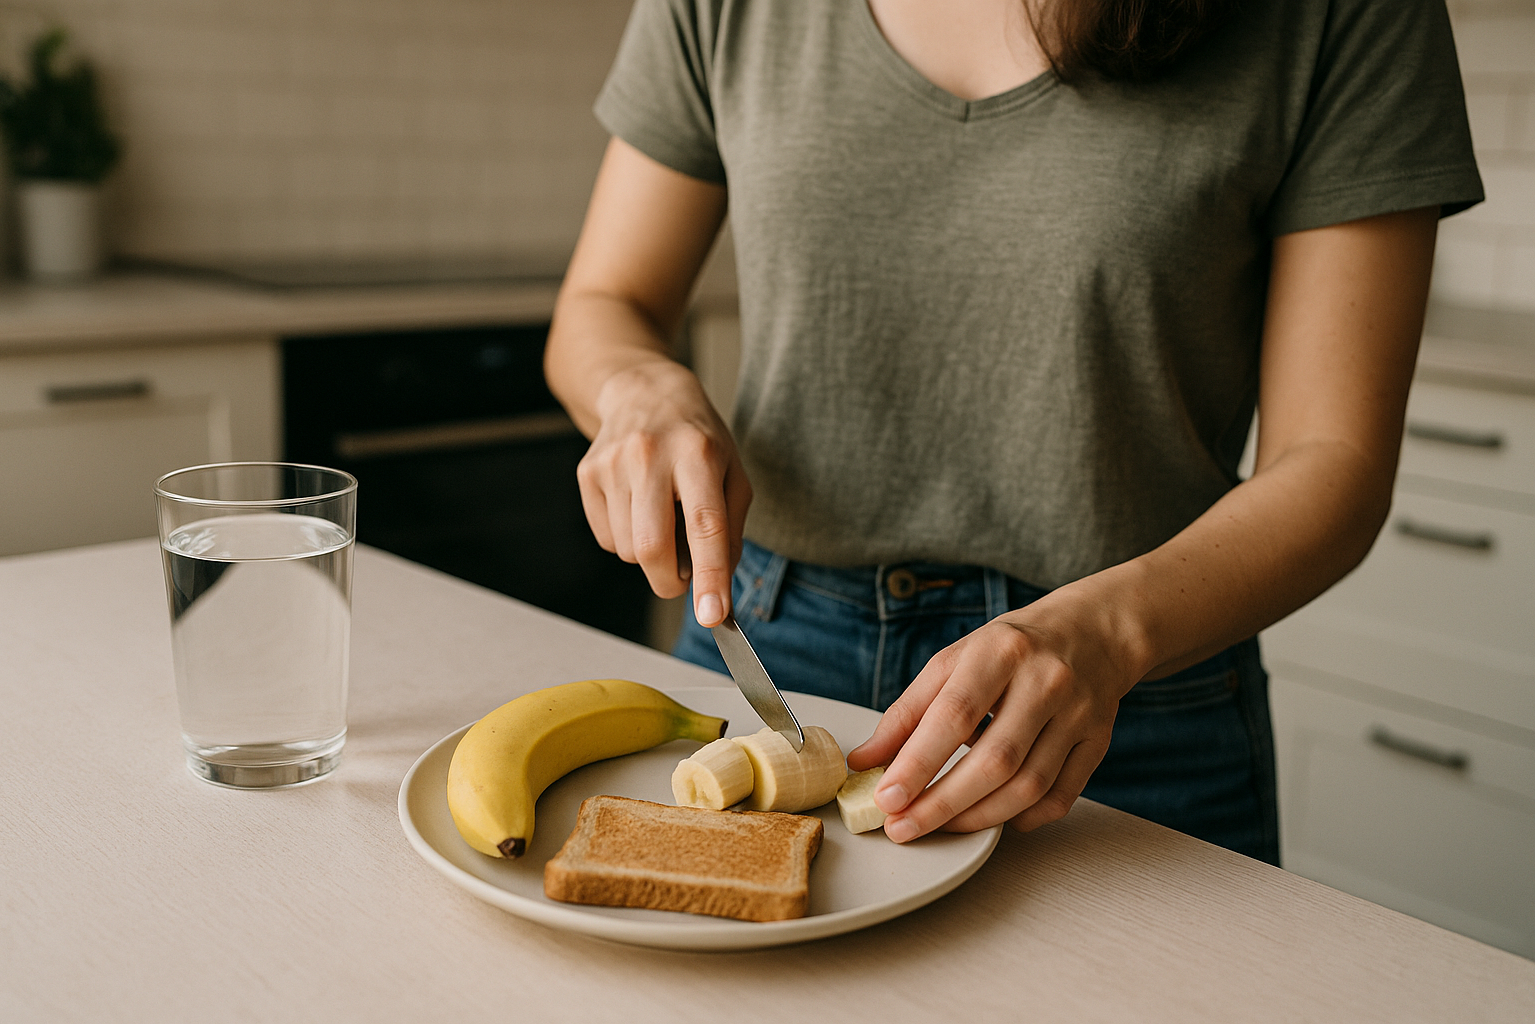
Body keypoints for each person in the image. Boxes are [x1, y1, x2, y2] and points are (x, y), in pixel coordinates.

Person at [543, 0, 1483, 864]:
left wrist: (1110, 634)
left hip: (1131, 695)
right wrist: (637, 389)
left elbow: (1337, 462)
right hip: (775, 650)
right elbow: (605, 302)